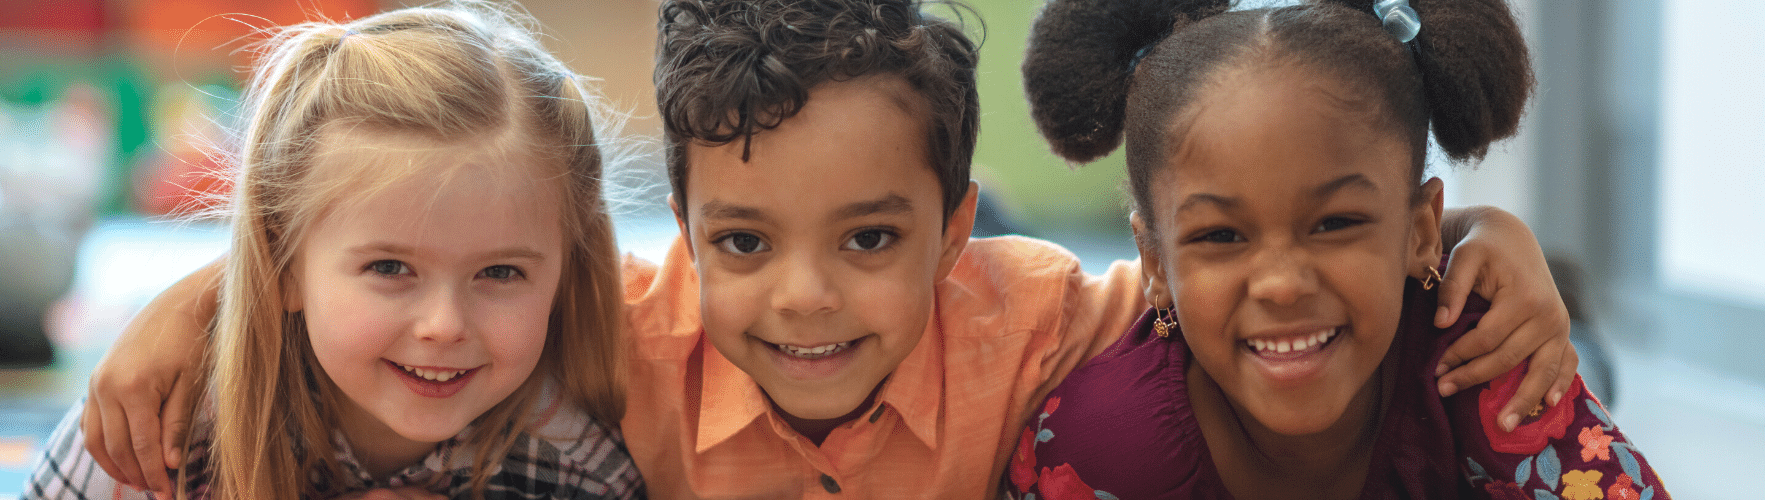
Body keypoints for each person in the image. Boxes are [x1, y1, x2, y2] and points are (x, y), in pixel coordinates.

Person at [83, 1, 1581, 497]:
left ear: (954, 231)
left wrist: (1488, 240)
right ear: (679, 232)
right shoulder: (611, 336)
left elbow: (1242, 283)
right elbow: (438, 262)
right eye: (741, 238)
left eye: (872, 237)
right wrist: (221, 299)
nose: (805, 296)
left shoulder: (1042, 315)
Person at [1007, 0, 1665, 498]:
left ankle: (1570, 308)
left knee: (1572, 353)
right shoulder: (1091, 447)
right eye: (1221, 236)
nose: (1283, 284)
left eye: (1335, 223)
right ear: (1155, 265)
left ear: (1420, 232)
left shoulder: (1486, 362)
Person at [23, 4, 643, 499]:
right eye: (390, 268)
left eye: (501, 272)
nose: (445, 325)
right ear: (284, 264)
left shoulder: (577, 465)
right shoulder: (157, 429)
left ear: (566, 272)